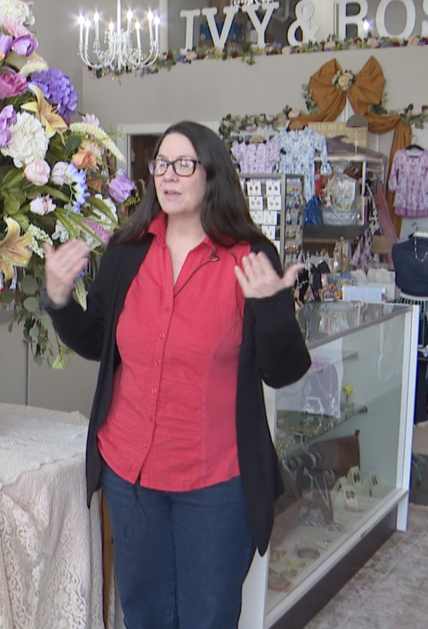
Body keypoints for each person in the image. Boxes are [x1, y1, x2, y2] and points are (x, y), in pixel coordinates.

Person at [41, 121, 312, 628]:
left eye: (184, 164)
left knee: (207, 617)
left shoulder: (250, 257)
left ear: (213, 175)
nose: (168, 175)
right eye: (161, 164)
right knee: (143, 614)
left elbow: (284, 371)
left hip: (215, 484)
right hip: (131, 475)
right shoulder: (127, 252)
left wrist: (273, 308)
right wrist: (58, 300)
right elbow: (97, 340)